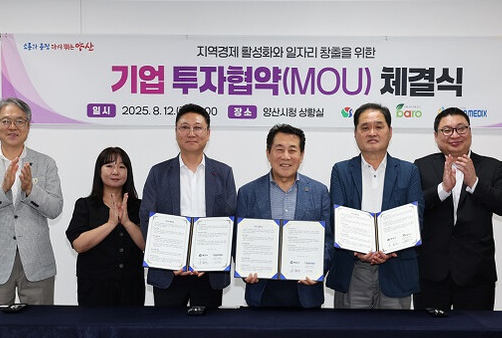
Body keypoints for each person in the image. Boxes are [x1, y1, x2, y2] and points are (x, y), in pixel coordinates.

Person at [0, 97, 63, 308]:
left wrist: (31, 191)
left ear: (28, 126)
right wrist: (2, 190)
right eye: (6, 121)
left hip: (37, 263)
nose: (12, 127)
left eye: (19, 121)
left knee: (41, 326)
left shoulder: (46, 163)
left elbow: (55, 209)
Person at [414, 107, 502, 311]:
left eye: (461, 128)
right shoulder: (421, 166)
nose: (455, 135)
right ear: (436, 136)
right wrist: (442, 190)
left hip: (476, 273)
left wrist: (475, 183)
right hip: (432, 272)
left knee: (475, 330)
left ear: (470, 131)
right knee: (428, 330)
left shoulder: (492, 166)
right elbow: (412, 207)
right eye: (447, 130)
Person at [327, 103, 424, 309]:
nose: (372, 132)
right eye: (365, 127)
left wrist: (390, 249)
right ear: (355, 134)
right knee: (350, 328)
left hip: (396, 267)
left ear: (390, 131)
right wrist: (357, 250)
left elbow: (416, 219)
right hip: (353, 269)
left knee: (393, 329)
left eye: (379, 126)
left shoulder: (409, 171)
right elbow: (336, 218)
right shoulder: (341, 171)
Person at [140, 103, 237, 307]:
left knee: (208, 327)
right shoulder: (158, 173)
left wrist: (211, 260)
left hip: (209, 273)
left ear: (208, 133)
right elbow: (147, 218)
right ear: (176, 132)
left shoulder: (223, 173)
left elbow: (230, 221)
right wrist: (168, 261)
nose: (191, 133)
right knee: (167, 327)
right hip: (168, 273)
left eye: (198, 127)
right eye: (184, 127)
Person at [236, 124, 332, 308]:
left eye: (292, 150)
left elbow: (328, 238)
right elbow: (238, 239)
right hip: (262, 291)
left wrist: (319, 269)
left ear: (302, 155)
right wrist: (245, 268)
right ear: (268, 153)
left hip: (306, 292)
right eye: (279, 149)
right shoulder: (248, 192)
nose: (286, 156)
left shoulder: (319, 192)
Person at [66, 147, 146, 306]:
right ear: (99, 171)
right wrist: (111, 223)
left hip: (131, 285)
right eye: (109, 166)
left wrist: (127, 223)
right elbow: (79, 245)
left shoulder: (139, 206)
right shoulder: (85, 205)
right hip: (94, 286)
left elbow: (147, 246)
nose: (115, 171)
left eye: (122, 167)